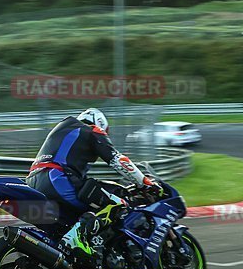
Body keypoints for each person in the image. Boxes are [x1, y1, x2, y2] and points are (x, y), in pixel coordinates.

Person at [26, 108, 163, 252]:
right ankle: (76, 237)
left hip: (32, 181)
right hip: (57, 179)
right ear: (100, 123)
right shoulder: (92, 130)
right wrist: (143, 182)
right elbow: (118, 160)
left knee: (75, 213)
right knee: (117, 203)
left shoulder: (62, 127)